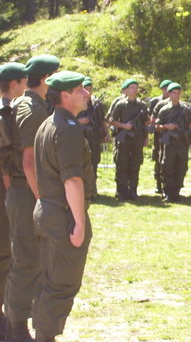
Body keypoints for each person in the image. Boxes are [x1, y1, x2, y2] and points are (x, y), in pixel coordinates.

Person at [32, 71, 94, 342]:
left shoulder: (48, 124)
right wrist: (79, 223)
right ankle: (44, 337)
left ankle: (43, 335)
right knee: (61, 284)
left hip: (48, 210)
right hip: (63, 215)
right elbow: (72, 180)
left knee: (48, 281)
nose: (87, 93)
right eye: (81, 89)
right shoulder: (67, 128)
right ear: (65, 95)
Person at [4, 54, 60, 342]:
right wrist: (42, 200)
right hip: (26, 192)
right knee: (26, 259)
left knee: (27, 257)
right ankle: (16, 326)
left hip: (23, 190)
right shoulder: (32, 108)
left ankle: (17, 320)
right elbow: (28, 161)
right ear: (46, 79)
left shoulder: (30, 105)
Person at [0, 62, 28, 340]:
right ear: (13, 84)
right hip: (3, 190)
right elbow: (4, 159)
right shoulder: (3, 113)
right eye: (24, 81)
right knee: (5, 252)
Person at [109, 79, 148, 201]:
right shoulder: (121, 104)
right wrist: (124, 126)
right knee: (122, 164)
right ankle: (121, 191)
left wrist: (146, 138)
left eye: (136, 87)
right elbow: (111, 120)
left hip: (137, 139)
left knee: (135, 165)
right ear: (127, 89)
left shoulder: (142, 105)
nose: (134, 90)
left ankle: (133, 191)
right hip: (124, 139)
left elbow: (145, 123)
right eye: (132, 87)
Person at [155, 83, 191, 202]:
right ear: (169, 94)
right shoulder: (164, 109)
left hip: (182, 142)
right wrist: (167, 126)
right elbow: (157, 126)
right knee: (168, 166)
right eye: (174, 93)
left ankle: (177, 191)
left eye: (178, 93)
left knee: (182, 167)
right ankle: (168, 192)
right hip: (170, 143)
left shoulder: (186, 109)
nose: (176, 95)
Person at [77, 77, 109, 183]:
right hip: (81, 137)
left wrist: (106, 134)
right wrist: (80, 121)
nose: (88, 91)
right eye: (86, 88)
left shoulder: (96, 104)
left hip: (94, 137)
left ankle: (92, 188)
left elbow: (102, 120)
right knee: (81, 162)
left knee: (94, 162)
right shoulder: (77, 103)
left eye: (90, 89)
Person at [148, 79, 172, 194]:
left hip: (171, 136)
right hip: (159, 134)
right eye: (166, 89)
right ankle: (158, 183)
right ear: (163, 89)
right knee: (158, 157)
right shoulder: (156, 101)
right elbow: (151, 118)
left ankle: (168, 184)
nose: (168, 91)